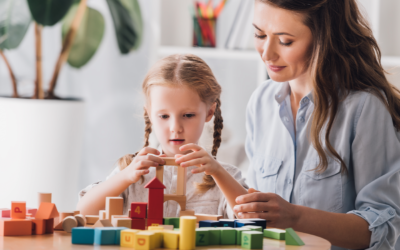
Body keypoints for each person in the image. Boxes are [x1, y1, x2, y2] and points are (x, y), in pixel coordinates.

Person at [177, 0, 400, 249]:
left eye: (285, 41)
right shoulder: (261, 102)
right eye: (259, 34)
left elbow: (384, 230)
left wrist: (295, 217)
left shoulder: (363, 109)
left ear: (324, 39)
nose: (267, 53)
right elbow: (256, 212)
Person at [76, 54, 247, 218]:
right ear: (149, 113)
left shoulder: (225, 176)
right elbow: (83, 212)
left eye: (188, 115)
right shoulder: (132, 171)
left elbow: (250, 218)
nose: (175, 128)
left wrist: (217, 172)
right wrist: (126, 176)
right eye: (164, 116)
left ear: (210, 112)